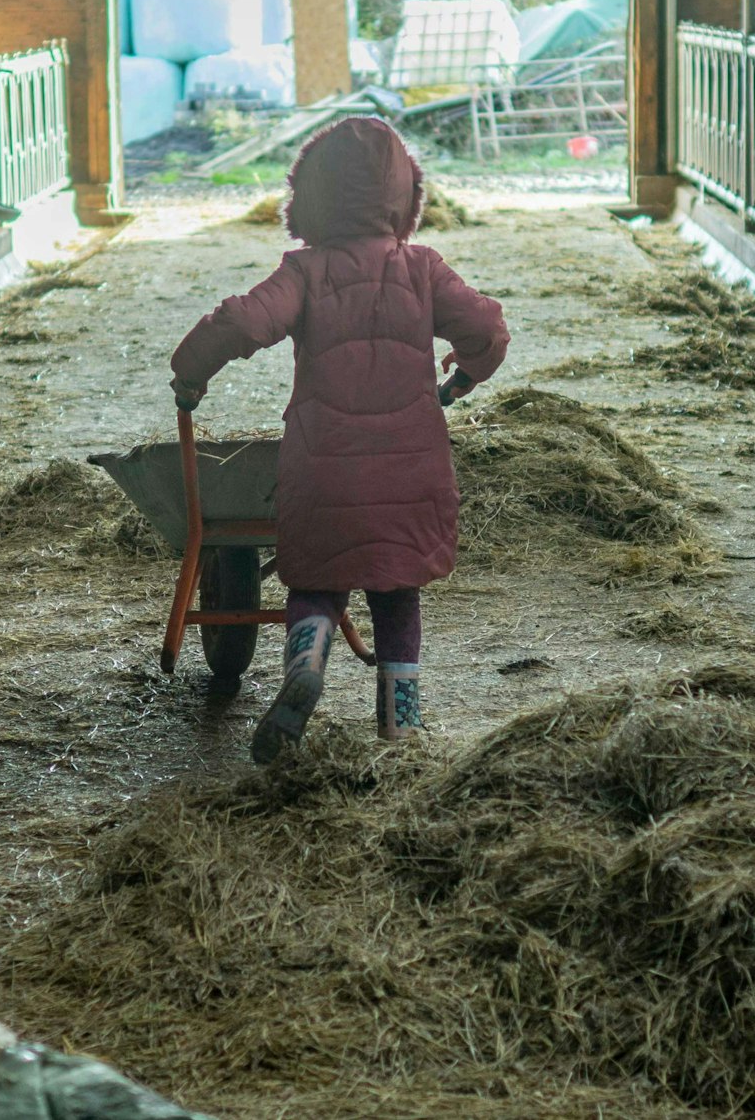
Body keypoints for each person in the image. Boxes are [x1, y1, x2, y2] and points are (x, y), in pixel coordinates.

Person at [169, 117, 509, 761]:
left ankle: (307, 661)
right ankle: (399, 726)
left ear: (312, 198)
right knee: (397, 588)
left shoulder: (305, 272)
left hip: (324, 466)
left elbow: (242, 320)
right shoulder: (424, 269)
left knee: (316, 580)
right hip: (412, 470)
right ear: (406, 199)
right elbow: (488, 327)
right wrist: (463, 379)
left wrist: (189, 374)